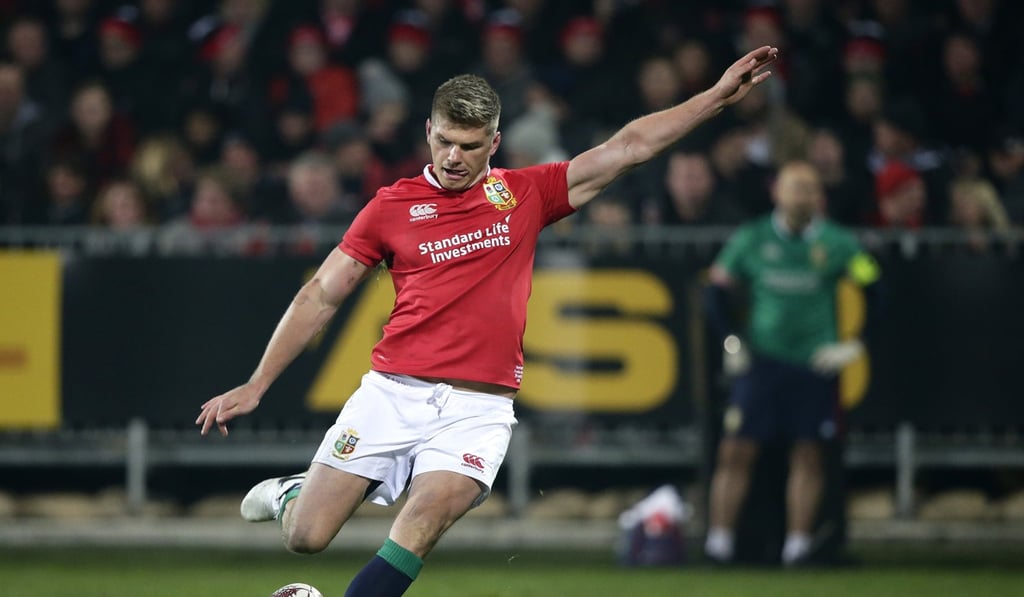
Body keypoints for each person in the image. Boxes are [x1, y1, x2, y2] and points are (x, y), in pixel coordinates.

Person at [195, 46, 779, 596]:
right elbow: (321, 294)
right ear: (428, 130)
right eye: (445, 141)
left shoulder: (526, 194)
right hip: (393, 393)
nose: (454, 157)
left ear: (494, 142)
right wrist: (257, 383)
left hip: (479, 409)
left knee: (424, 519)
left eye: (470, 146)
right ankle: (295, 494)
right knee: (307, 537)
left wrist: (716, 96)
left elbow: (629, 147)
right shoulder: (390, 206)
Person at [703, 161, 882, 567]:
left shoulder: (840, 243)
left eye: (810, 188)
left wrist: (854, 345)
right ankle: (719, 544)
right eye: (795, 187)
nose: (802, 196)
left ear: (820, 196)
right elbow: (716, 290)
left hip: (814, 364)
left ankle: (798, 548)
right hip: (761, 361)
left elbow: (876, 287)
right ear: (776, 192)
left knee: (809, 454)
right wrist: (732, 340)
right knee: (736, 450)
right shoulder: (751, 238)